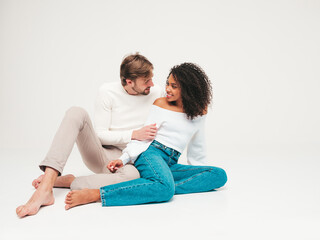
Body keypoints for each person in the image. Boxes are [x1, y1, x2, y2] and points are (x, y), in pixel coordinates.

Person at [63, 62, 228, 209]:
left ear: (188, 89)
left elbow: (198, 144)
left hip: (170, 163)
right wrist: (125, 158)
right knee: (165, 189)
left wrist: (198, 170)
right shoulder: (161, 104)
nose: (167, 89)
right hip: (151, 154)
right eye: (167, 84)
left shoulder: (200, 110)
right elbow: (145, 136)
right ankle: (98, 194)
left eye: (174, 86)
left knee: (219, 175)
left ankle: (153, 186)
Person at [16, 53, 163, 218]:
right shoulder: (107, 92)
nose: (151, 83)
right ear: (129, 81)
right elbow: (100, 136)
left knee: (132, 176)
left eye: (151, 78)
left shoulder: (156, 92)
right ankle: (46, 186)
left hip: (132, 159)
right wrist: (134, 134)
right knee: (76, 112)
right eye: (146, 81)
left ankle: (71, 181)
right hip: (103, 155)